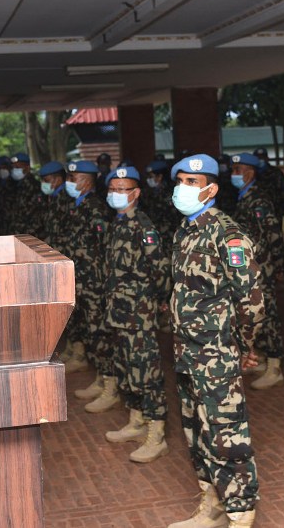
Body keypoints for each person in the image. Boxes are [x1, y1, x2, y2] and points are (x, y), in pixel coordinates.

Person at [167, 154, 264, 528]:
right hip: (187, 352)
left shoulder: (228, 234)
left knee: (227, 431)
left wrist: (244, 344)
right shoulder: (184, 231)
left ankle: (241, 515)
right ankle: (211, 505)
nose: (184, 188)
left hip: (217, 352)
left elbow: (252, 299)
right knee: (196, 431)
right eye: (181, 181)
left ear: (212, 188)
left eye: (193, 182)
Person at [100, 167, 173, 463]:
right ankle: (136, 419)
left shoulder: (144, 227)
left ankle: (156, 434)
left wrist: (161, 302)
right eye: (113, 188)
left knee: (147, 371)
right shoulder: (116, 224)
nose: (116, 194)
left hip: (139, 313)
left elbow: (161, 270)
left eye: (123, 188)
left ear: (136, 193)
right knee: (127, 366)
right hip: (119, 313)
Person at [229, 152, 284, 390]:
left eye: (238, 170)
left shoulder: (259, 201)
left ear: (250, 173)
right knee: (253, 315)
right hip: (248, 271)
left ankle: (275, 367)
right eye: (232, 170)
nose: (234, 175)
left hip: (262, 269)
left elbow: (273, 235)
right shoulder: (242, 199)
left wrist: (279, 266)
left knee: (268, 316)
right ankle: (261, 358)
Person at [60, 160, 114, 397]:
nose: (69, 183)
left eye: (74, 178)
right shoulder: (78, 205)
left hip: (94, 282)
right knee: (91, 331)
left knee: (99, 332)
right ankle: (100, 377)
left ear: (87, 181)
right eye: (69, 177)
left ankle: (109, 385)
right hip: (81, 278)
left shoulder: (95, 207)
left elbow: (104, 248)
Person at [6, 151, 42, 236]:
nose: (14, 170)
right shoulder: (15, 184)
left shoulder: (34, 187)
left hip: (29, 235)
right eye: (13, 167)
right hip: (17, 232)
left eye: (17, 167)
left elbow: (37, 217)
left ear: (27, 168)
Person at [252, 147, 284, 218]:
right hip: (254, 216)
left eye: (262, 157)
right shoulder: (251, 173)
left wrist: (278, 214)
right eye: (258, 158)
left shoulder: (276, 173)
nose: (260, 160)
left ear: (267, 158)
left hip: (273, 215)